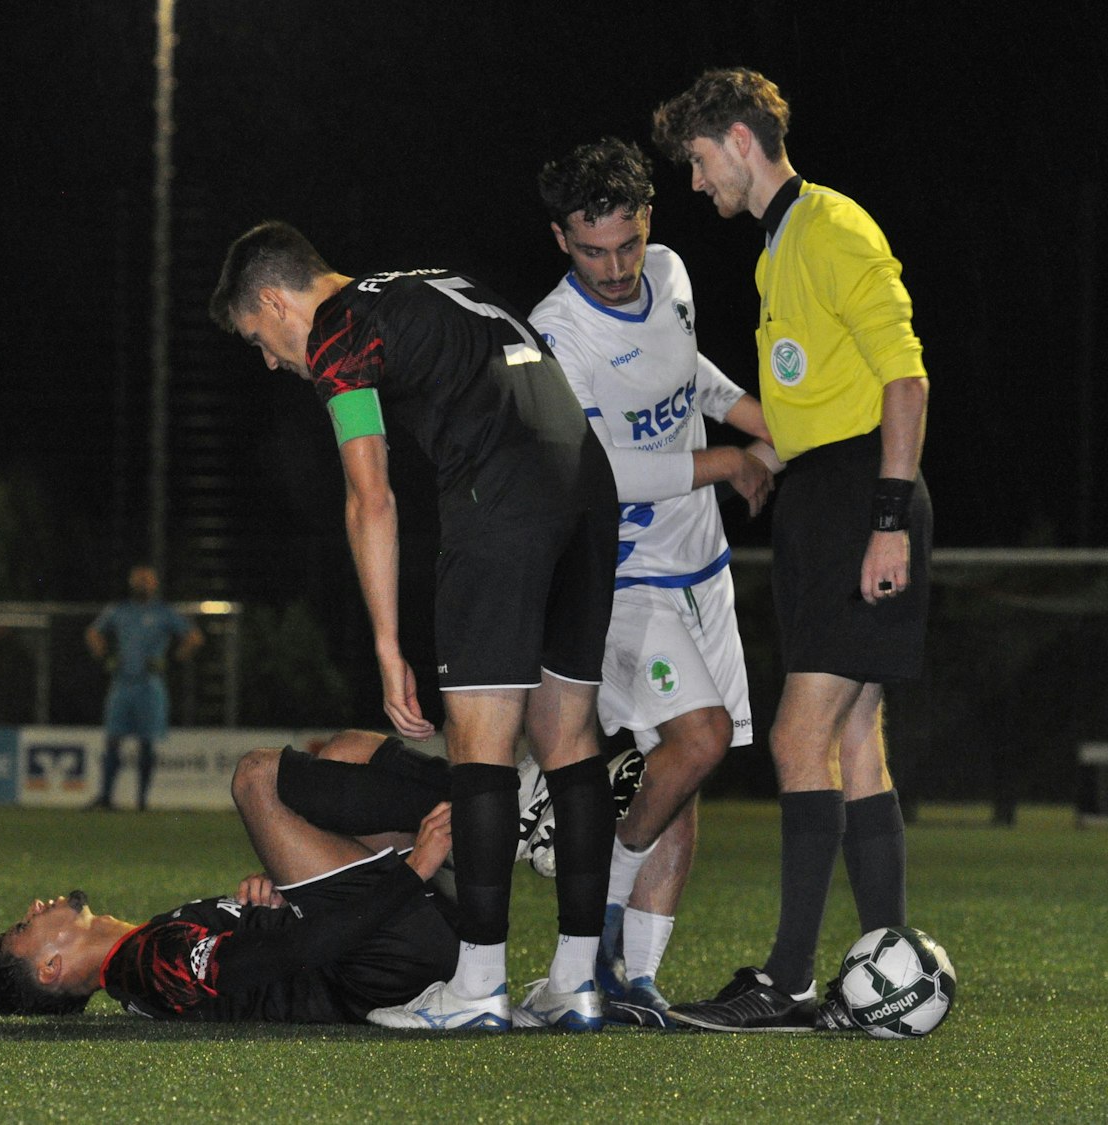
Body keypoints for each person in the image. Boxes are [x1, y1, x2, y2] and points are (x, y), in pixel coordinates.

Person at [208, 222, 620, 1031]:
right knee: (570, 738)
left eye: (260, 337)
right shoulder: (424, 279)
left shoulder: (337, 333)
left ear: (274, 299)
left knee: (480, 743)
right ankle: (575, 981)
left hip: (501, 497)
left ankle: (478, 986)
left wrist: (388, 643)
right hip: (586, 484)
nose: (268, 359)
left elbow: (372, 494)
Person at [651, 68, 934, 1032]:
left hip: (861, 497)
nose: (696, 184)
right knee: (855, 738)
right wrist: (764, 458)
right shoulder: (781, 249)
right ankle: (891, 969)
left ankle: (790, 981)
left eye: (696, 161)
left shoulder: (832, 229)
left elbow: (905, 377)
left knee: (794, 737)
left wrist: (887, 515)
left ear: (738, 140)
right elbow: (819, 394)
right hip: (828, 494)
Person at [526, 137, 781, 1028]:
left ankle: (635, 981)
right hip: (625, 579)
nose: (613, 265)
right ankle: (591, 906)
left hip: (703, 570)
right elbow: (605, 474)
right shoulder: (556, 332)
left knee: (683, 778)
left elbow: (687, 374)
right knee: (701, 739)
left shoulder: (670, 273)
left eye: (626, 244)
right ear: (561, 238)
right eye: (591, 249)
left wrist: (765, 421)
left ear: (647, 227)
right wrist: (732, 460)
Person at [0, 730, 460, 1023]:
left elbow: (273, 954)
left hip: (391, 945)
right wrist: (413, 872)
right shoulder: (150, 967)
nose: (34, 906)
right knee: (256, 778)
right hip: (387, 965)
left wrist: (279, 896)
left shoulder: (146, 946)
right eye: (23, 927)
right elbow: (299, 952)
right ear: (50, 969)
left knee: (343, 752)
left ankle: (498, 805)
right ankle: (493, 804)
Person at [85, 564, 201, 811]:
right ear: (131, 583)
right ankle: (106, 798)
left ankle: (142, 801)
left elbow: (194, 637)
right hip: (122, 684)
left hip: (150, 686)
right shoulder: (119, 611)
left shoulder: (164, 613)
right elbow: (93, 632)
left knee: (146, 742)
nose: (142, 584)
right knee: (113, 740)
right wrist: (105, 655)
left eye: (147, 580)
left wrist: (173, 659)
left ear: (155, 584)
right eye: (138, 580)